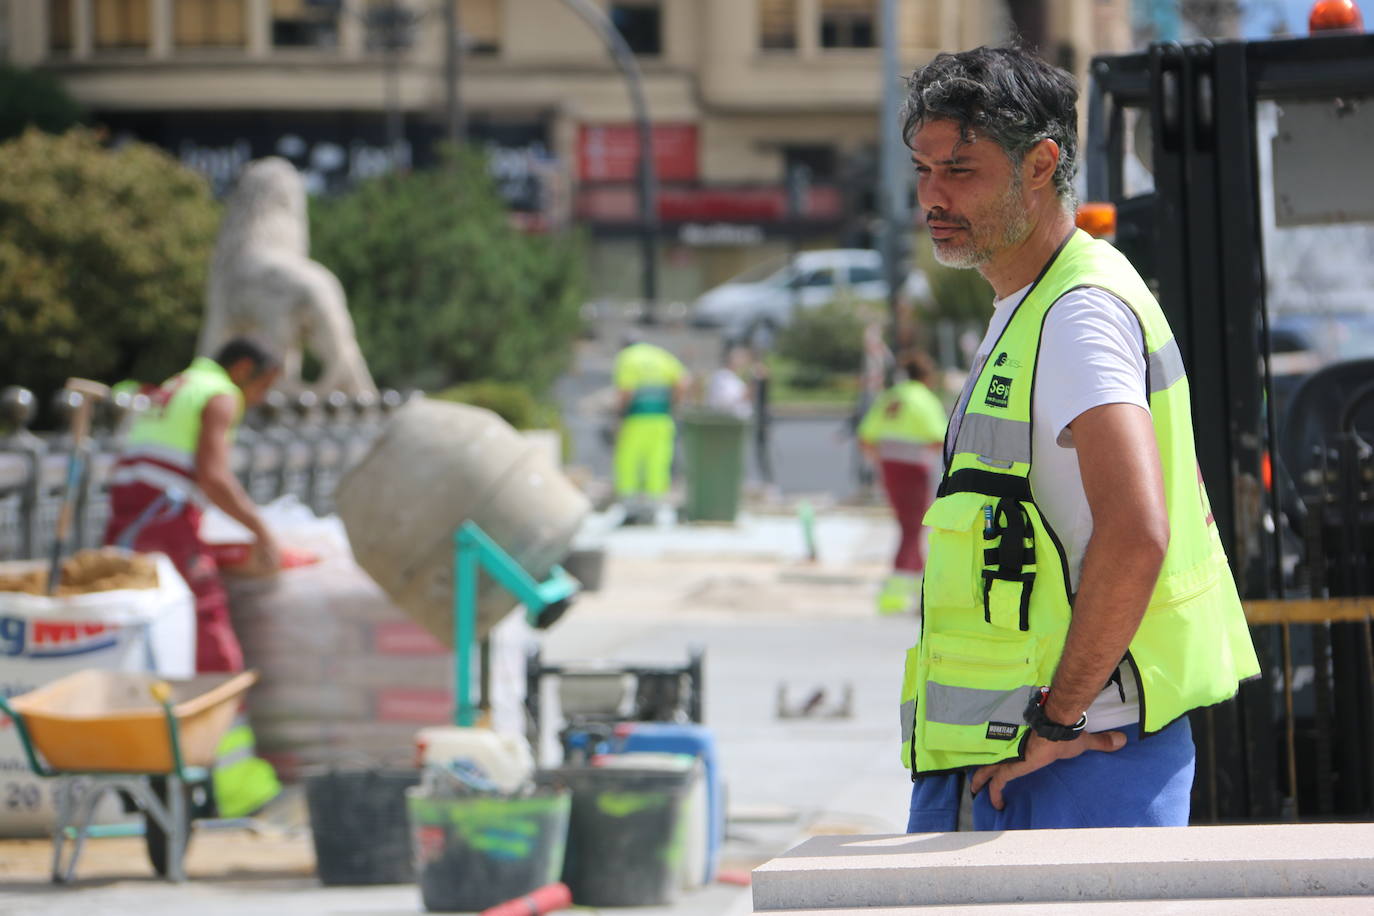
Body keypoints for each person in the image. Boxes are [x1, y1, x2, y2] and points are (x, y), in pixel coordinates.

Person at [896, 46, 1259, 832]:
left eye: (960, 170)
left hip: (1065, 766)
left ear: (1040, 165)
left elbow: (1135, 532)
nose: (932, 195)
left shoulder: (1077, 315)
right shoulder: (1040, 302)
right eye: (923, 169)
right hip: (1036, 759)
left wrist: (1058, 720)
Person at [105, 337, 284, 816]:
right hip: (165, 527)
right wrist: (261, 530)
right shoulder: (218, 394)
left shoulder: (174, 388)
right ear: (243, 369)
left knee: (148, 656)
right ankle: (235, 787)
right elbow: (214, 476)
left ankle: (144, 780)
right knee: (215, 653)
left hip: (128, 529)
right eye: (264, 385)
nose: (262, 398)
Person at [858, 350, 946, 615]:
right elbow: (939, 437)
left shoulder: (890, 396)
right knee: (912, 528)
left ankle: (919, 587)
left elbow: (866, 437)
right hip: (914, 469)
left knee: (908, 526)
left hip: (889, 467)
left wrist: (882, 462)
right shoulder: (923, 399)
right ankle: (896, 592)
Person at [613, 334, 689, 516]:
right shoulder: (661, 355)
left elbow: (625, 391)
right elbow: (684, 381)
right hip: (662, 418)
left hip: (636, 418)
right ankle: (654, 505)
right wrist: (673, 404)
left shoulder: (627, 357)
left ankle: (630, 506)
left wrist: (619, 414)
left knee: (629, 460)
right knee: (658, 460)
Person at [705, 345, 754, 420]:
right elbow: (725, 401)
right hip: (726, 421)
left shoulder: (736, 378)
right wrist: (749, 390)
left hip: (741, 420)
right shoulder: (721, 376)